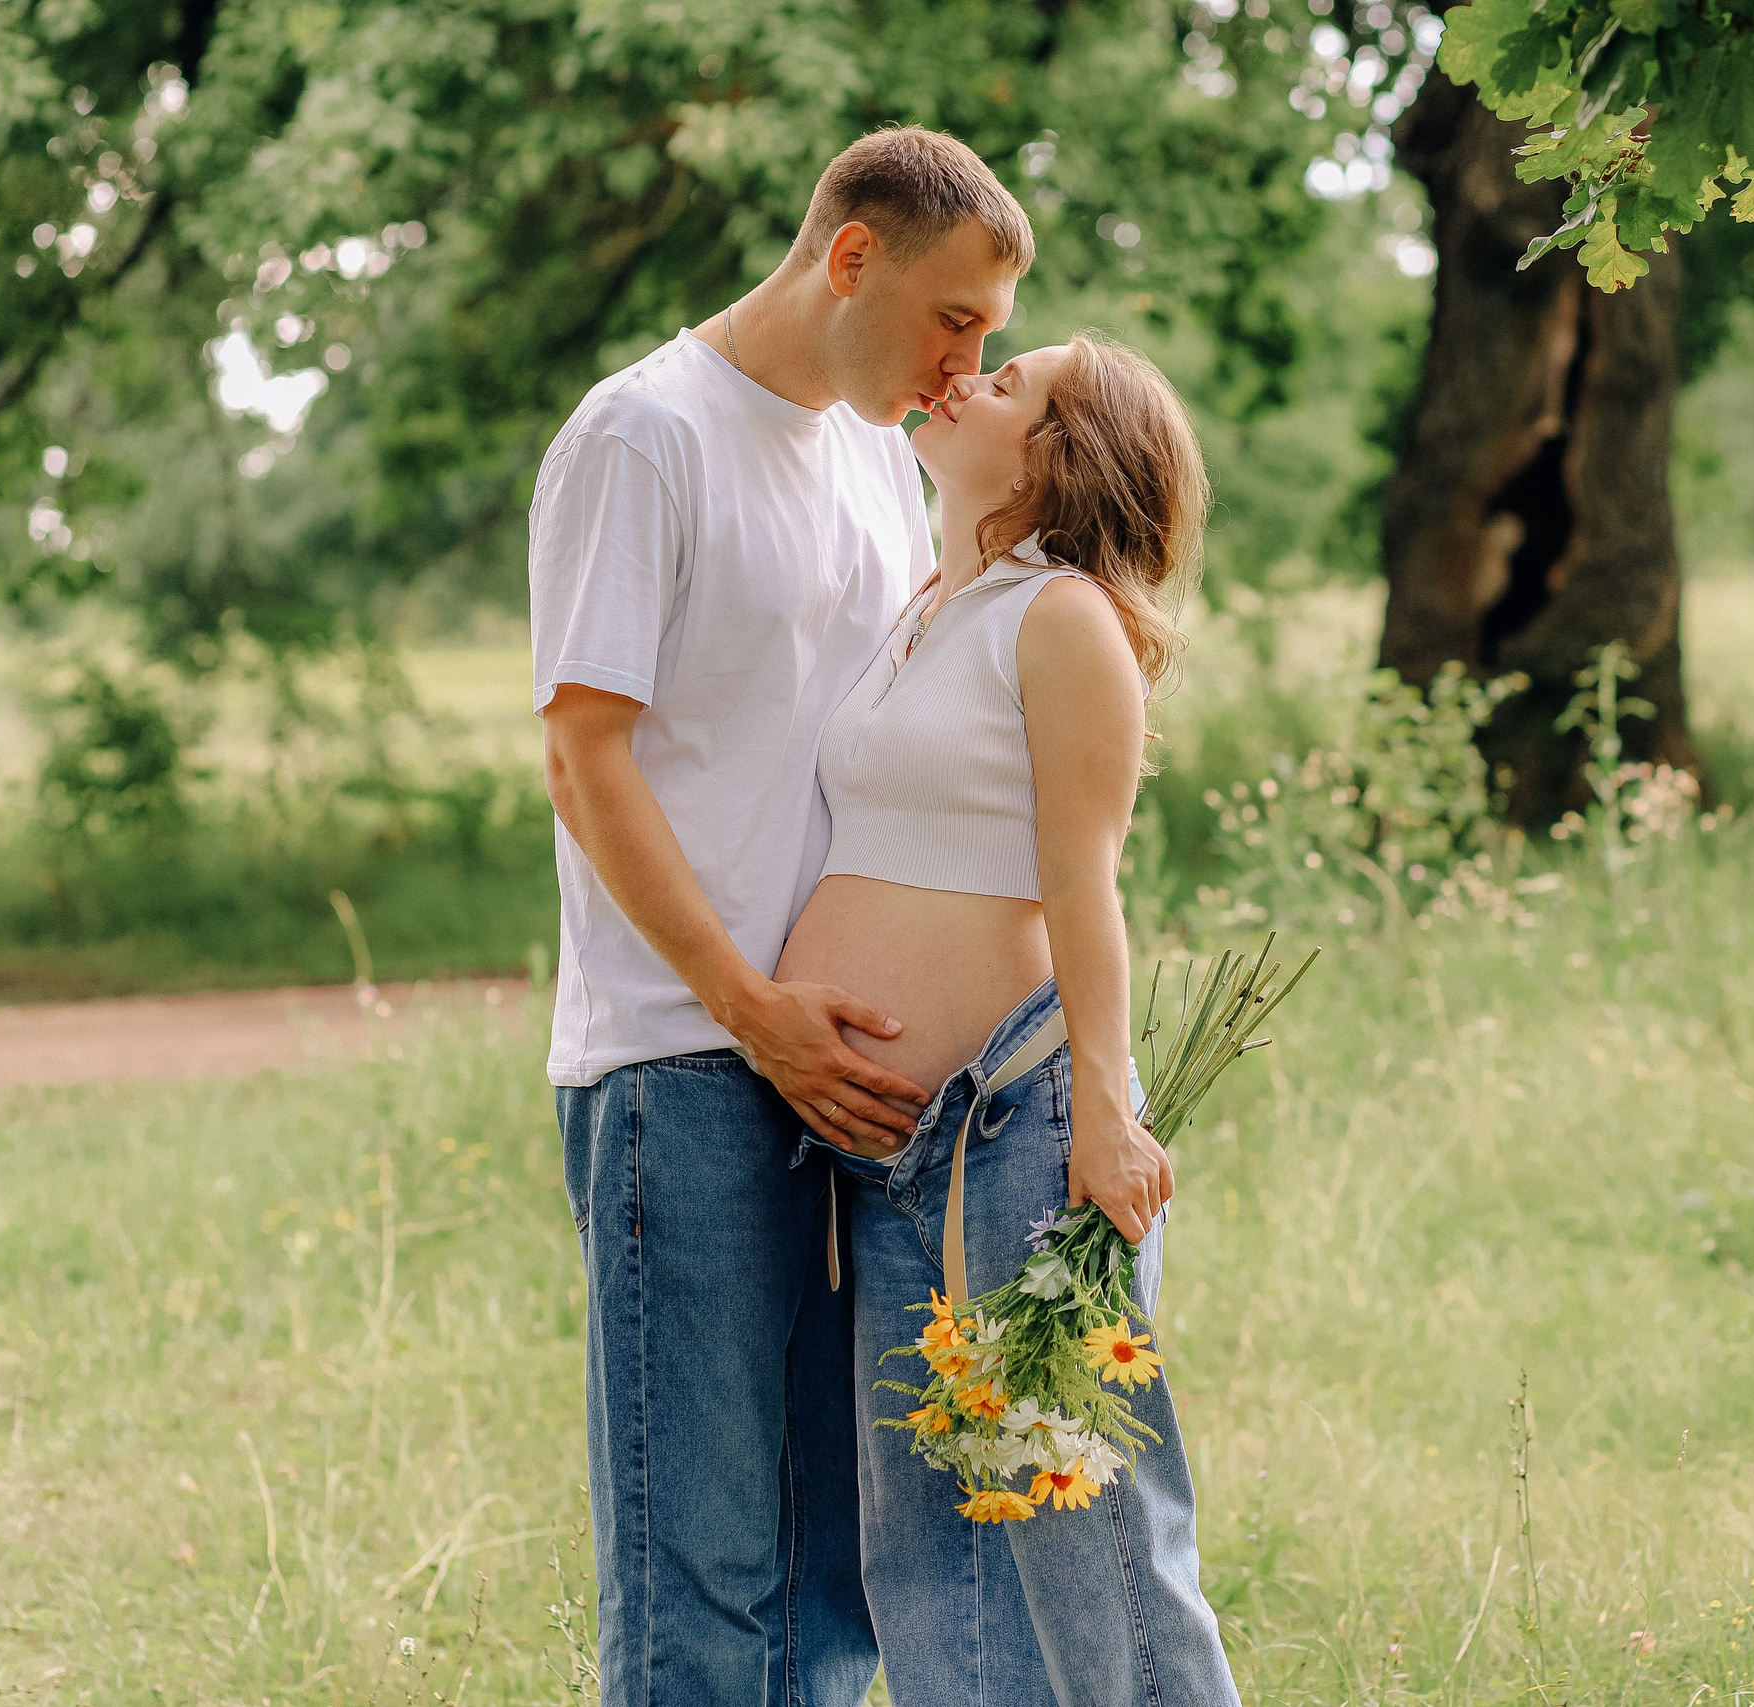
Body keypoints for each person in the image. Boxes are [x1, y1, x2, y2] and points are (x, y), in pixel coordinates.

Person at [529, 128, 1033, 1707]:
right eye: (955, 318)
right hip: (687, 1061)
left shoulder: (880, 461)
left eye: (992, 336)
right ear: (852, 256)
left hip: (863, 1095)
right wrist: (750, 1005)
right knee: (703, 1571)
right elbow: (582, 752)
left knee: (830, 1578)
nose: (970, 361)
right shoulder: (644, 434)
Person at [774, 334, 1241, 1706]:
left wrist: (1106, 1116)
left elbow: (1082, 885)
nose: (965, 377)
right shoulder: (928, 608)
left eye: (1010, 381)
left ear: (1058, 457)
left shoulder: (1062, 618)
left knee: (1089, 1543)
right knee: (931, 1568)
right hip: (890, 1153)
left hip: (1019, 1131)